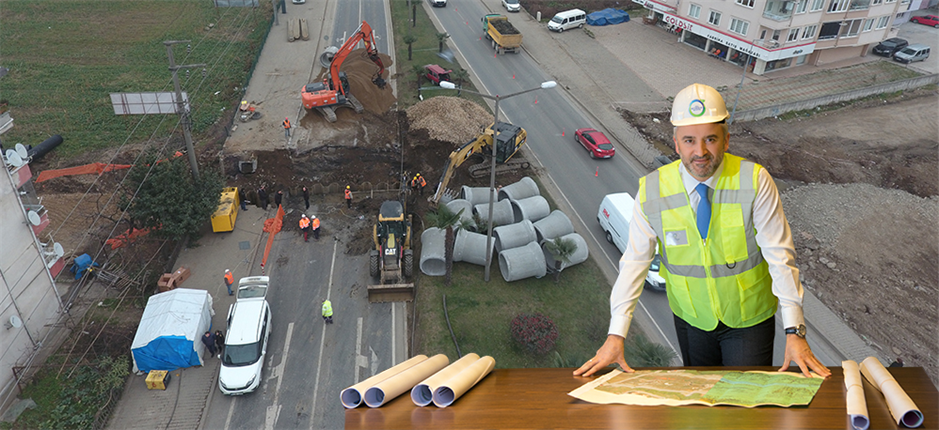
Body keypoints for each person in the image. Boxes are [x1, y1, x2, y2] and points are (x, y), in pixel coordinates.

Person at [574, 83, 831, 379]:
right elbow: (634, 263)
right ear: (675, 143)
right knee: (701, 402)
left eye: (710, 139)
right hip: (691, 320)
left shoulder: (755, 181)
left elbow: (780, 258)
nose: (700, 152)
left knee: (743, 407)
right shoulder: (652, 191)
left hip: (748, 321)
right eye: (689, 140)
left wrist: (794, 331)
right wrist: (616, 335)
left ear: (726, 140)